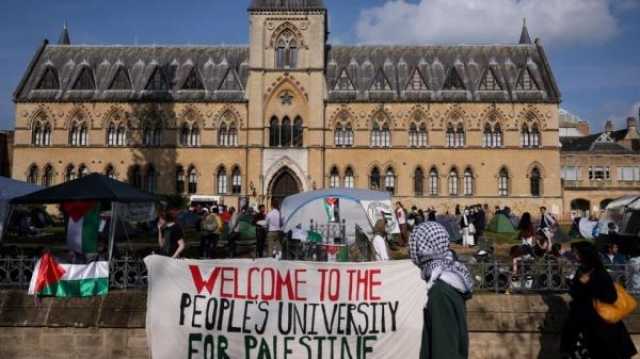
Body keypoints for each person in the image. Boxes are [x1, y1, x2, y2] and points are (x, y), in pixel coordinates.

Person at [561, 242, 637, 358]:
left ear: (586, 255)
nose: (575, 255)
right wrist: (577, 285)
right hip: (582, 321)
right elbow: (576, 292)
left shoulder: (600, 273)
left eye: (577, 253)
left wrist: (589, 287)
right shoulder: (581, 270)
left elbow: (611, 297)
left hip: (601, 323)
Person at [409, 222, 473, 359]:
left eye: (414, 245)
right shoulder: (451, 280)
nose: (411, 251)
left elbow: (444, 350)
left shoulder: (440, 291)